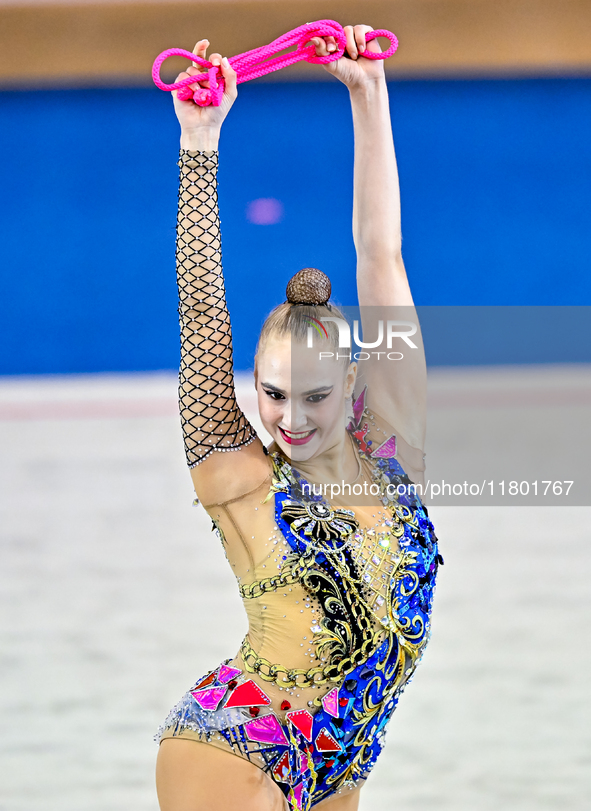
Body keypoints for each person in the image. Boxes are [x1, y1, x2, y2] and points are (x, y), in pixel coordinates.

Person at [155, 24, 442, 811]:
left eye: (314, 397)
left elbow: (380, 254)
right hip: (234, 749)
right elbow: (200, 312)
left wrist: (368, 90)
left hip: (340, 758)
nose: (288, 418)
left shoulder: (389, 445)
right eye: (272, 393)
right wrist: (199, 143)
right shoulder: (239, 476)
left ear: (353, 383)